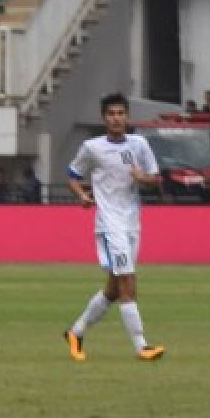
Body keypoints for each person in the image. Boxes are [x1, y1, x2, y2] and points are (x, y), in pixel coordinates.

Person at [63, 92, 164, 362]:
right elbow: (73, 176)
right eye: (111, 114)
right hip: (109, 224)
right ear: (103, 118)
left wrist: (144, 178)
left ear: (127, 116)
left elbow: (156, 179)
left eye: (120, 113)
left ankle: (76, 332)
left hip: (132, 223)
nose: (116, 118)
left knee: (114, 289)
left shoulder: (140, 144)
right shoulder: (92, 147)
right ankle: (142, 346)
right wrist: (82, 196)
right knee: (128, 285)